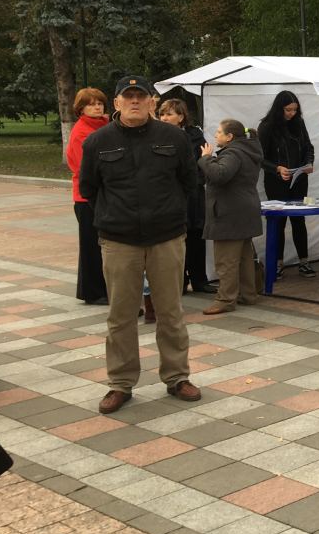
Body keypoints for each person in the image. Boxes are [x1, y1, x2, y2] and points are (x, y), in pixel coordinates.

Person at [78, 75, 201, 414]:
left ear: (151, 102)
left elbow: (190, 182)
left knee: (171, 312)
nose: (134, 102)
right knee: (120, 317)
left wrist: (168, 214)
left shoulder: (174, 138)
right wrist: (115, 216)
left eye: (140, 96)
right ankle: (120, 383)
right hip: (119, 241)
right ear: (116, 103)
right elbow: (89, 189)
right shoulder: (97, 141)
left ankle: (177, 377)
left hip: (167, 238)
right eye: (127, 97)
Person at [199, 119, 264, 314]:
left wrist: (206, 158)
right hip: (244, 210)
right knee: (244, 258)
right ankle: (248, 294)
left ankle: (225, 299)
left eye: (219, 132)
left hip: (229, 213)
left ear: (230, 137)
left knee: (226, 260)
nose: (216, 135)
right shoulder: (247, 150)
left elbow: (220, 174)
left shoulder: (233, 153)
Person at [157, 99, 216, 295]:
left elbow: (203, 164)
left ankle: (200, 280)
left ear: (181, 117)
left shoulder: (195, 136)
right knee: (175, 240)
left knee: (196, 237)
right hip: (170, 195)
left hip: (193, 195)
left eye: (169, 114)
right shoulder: (156, 135)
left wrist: (193, 182)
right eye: (162, 114)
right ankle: (179, 281)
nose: (164, 118)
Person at [257, 91, 316, 275]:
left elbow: (308, 147)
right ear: (279, 108)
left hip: (299, 179)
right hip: (276, 182)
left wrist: (309, 163)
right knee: (278, 221)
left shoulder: (299, 123)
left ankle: (304, 261)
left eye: (295, 110)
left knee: (299, 219)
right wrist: (277, 168)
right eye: (288, 110)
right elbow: (259, 157)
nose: (291, 113)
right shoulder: (266, 127)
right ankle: (278, 262)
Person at [66, 87, 109, 305]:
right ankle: (93, 292)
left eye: (100, 103)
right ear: (81, 108)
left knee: (101, 245)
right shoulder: (82, 132)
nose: (97, 107)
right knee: (91, 246)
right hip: (87, 197)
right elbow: (84, 168)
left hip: (102, 194)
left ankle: (103, 288)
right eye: (91, 104)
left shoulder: (102, 124)